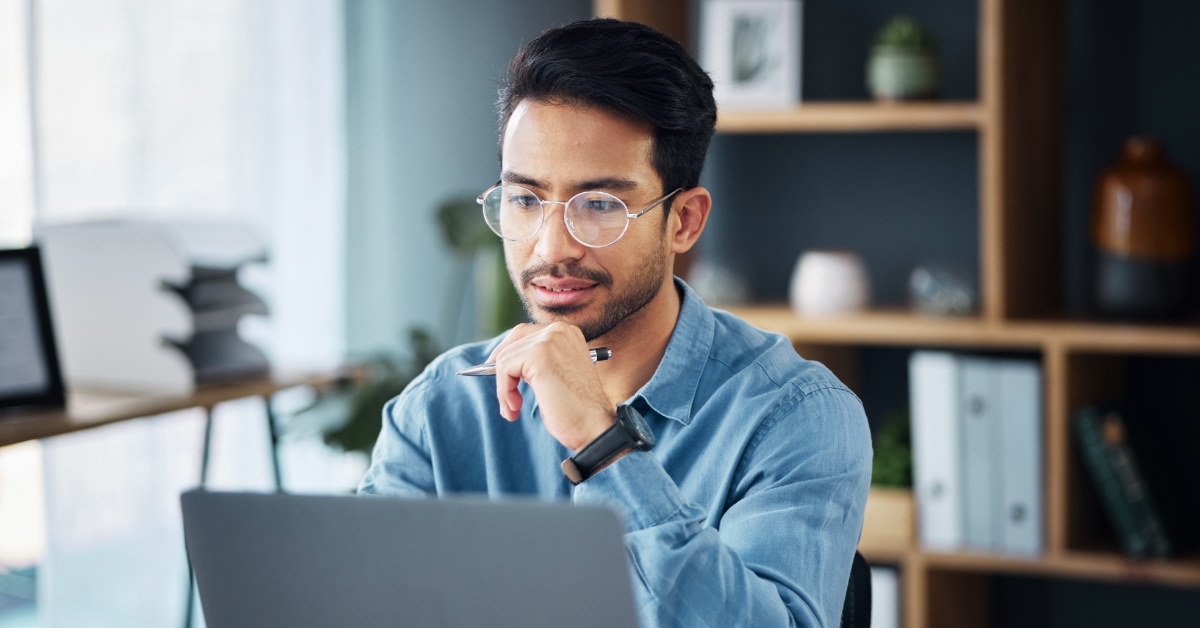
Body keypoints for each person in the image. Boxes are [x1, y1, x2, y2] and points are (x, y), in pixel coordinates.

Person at [359, 17, 871, 627]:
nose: (552, 247)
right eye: (525, 199)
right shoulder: (440, 408)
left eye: (599, 206)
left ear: (683, 221)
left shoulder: (795, 414)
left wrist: (604, 446)